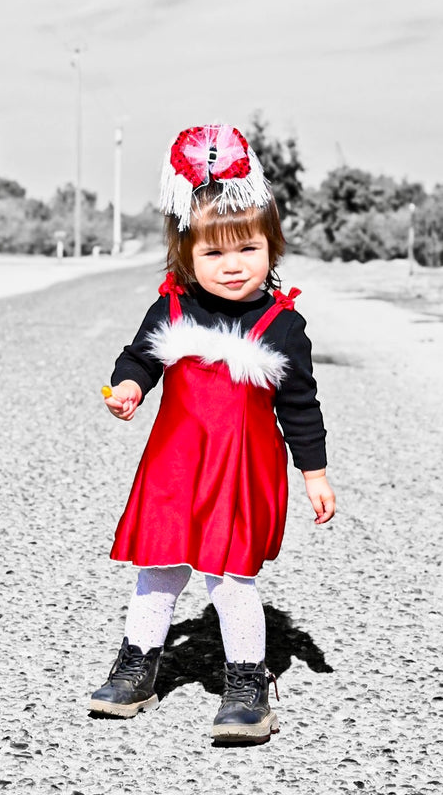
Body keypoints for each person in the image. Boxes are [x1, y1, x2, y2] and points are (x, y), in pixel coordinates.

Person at [89, 124, 335, 744]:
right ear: (186, 255)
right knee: (159, 565)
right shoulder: (173, 309)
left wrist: (314, 473)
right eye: (213, 254)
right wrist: (129, 387)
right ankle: (138, 665)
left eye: (248, 249)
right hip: (175, 467)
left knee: (228, 577)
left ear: (271, 247)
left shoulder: (282, 324)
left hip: (239, 471)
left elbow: (300, 406)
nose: (232, 266)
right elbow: (140, 358)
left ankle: (247, 681)